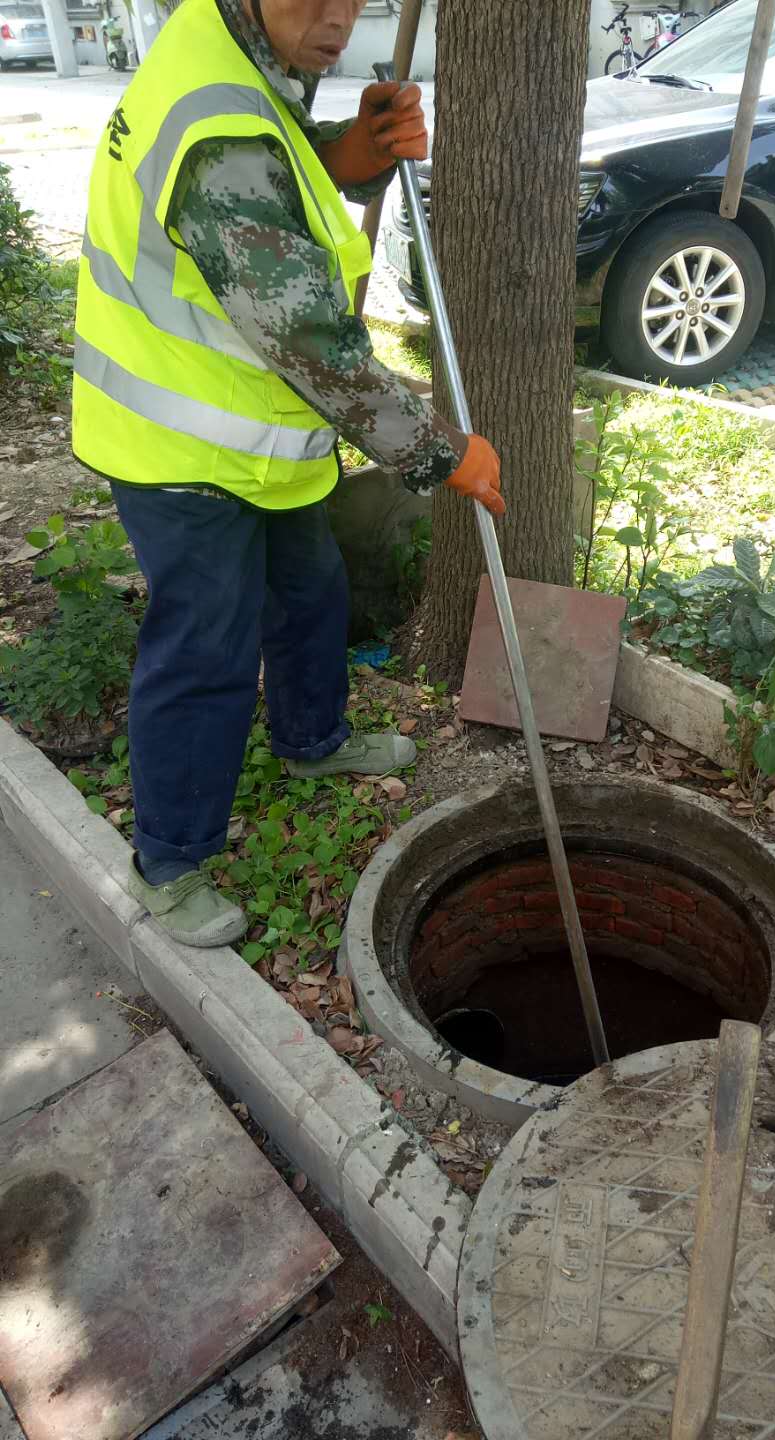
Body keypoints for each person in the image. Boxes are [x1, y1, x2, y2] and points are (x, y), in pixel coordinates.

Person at [71, 0, 504, 948]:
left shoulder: (233, 51)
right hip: (181, 446)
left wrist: (342, 154)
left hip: (260, 438)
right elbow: (311, 338)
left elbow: (276, 166)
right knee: (205, 650)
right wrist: (443, 454)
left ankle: (313, 740)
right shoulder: (214, 123)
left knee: (310, 591)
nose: (339, 17)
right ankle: (171, 859)